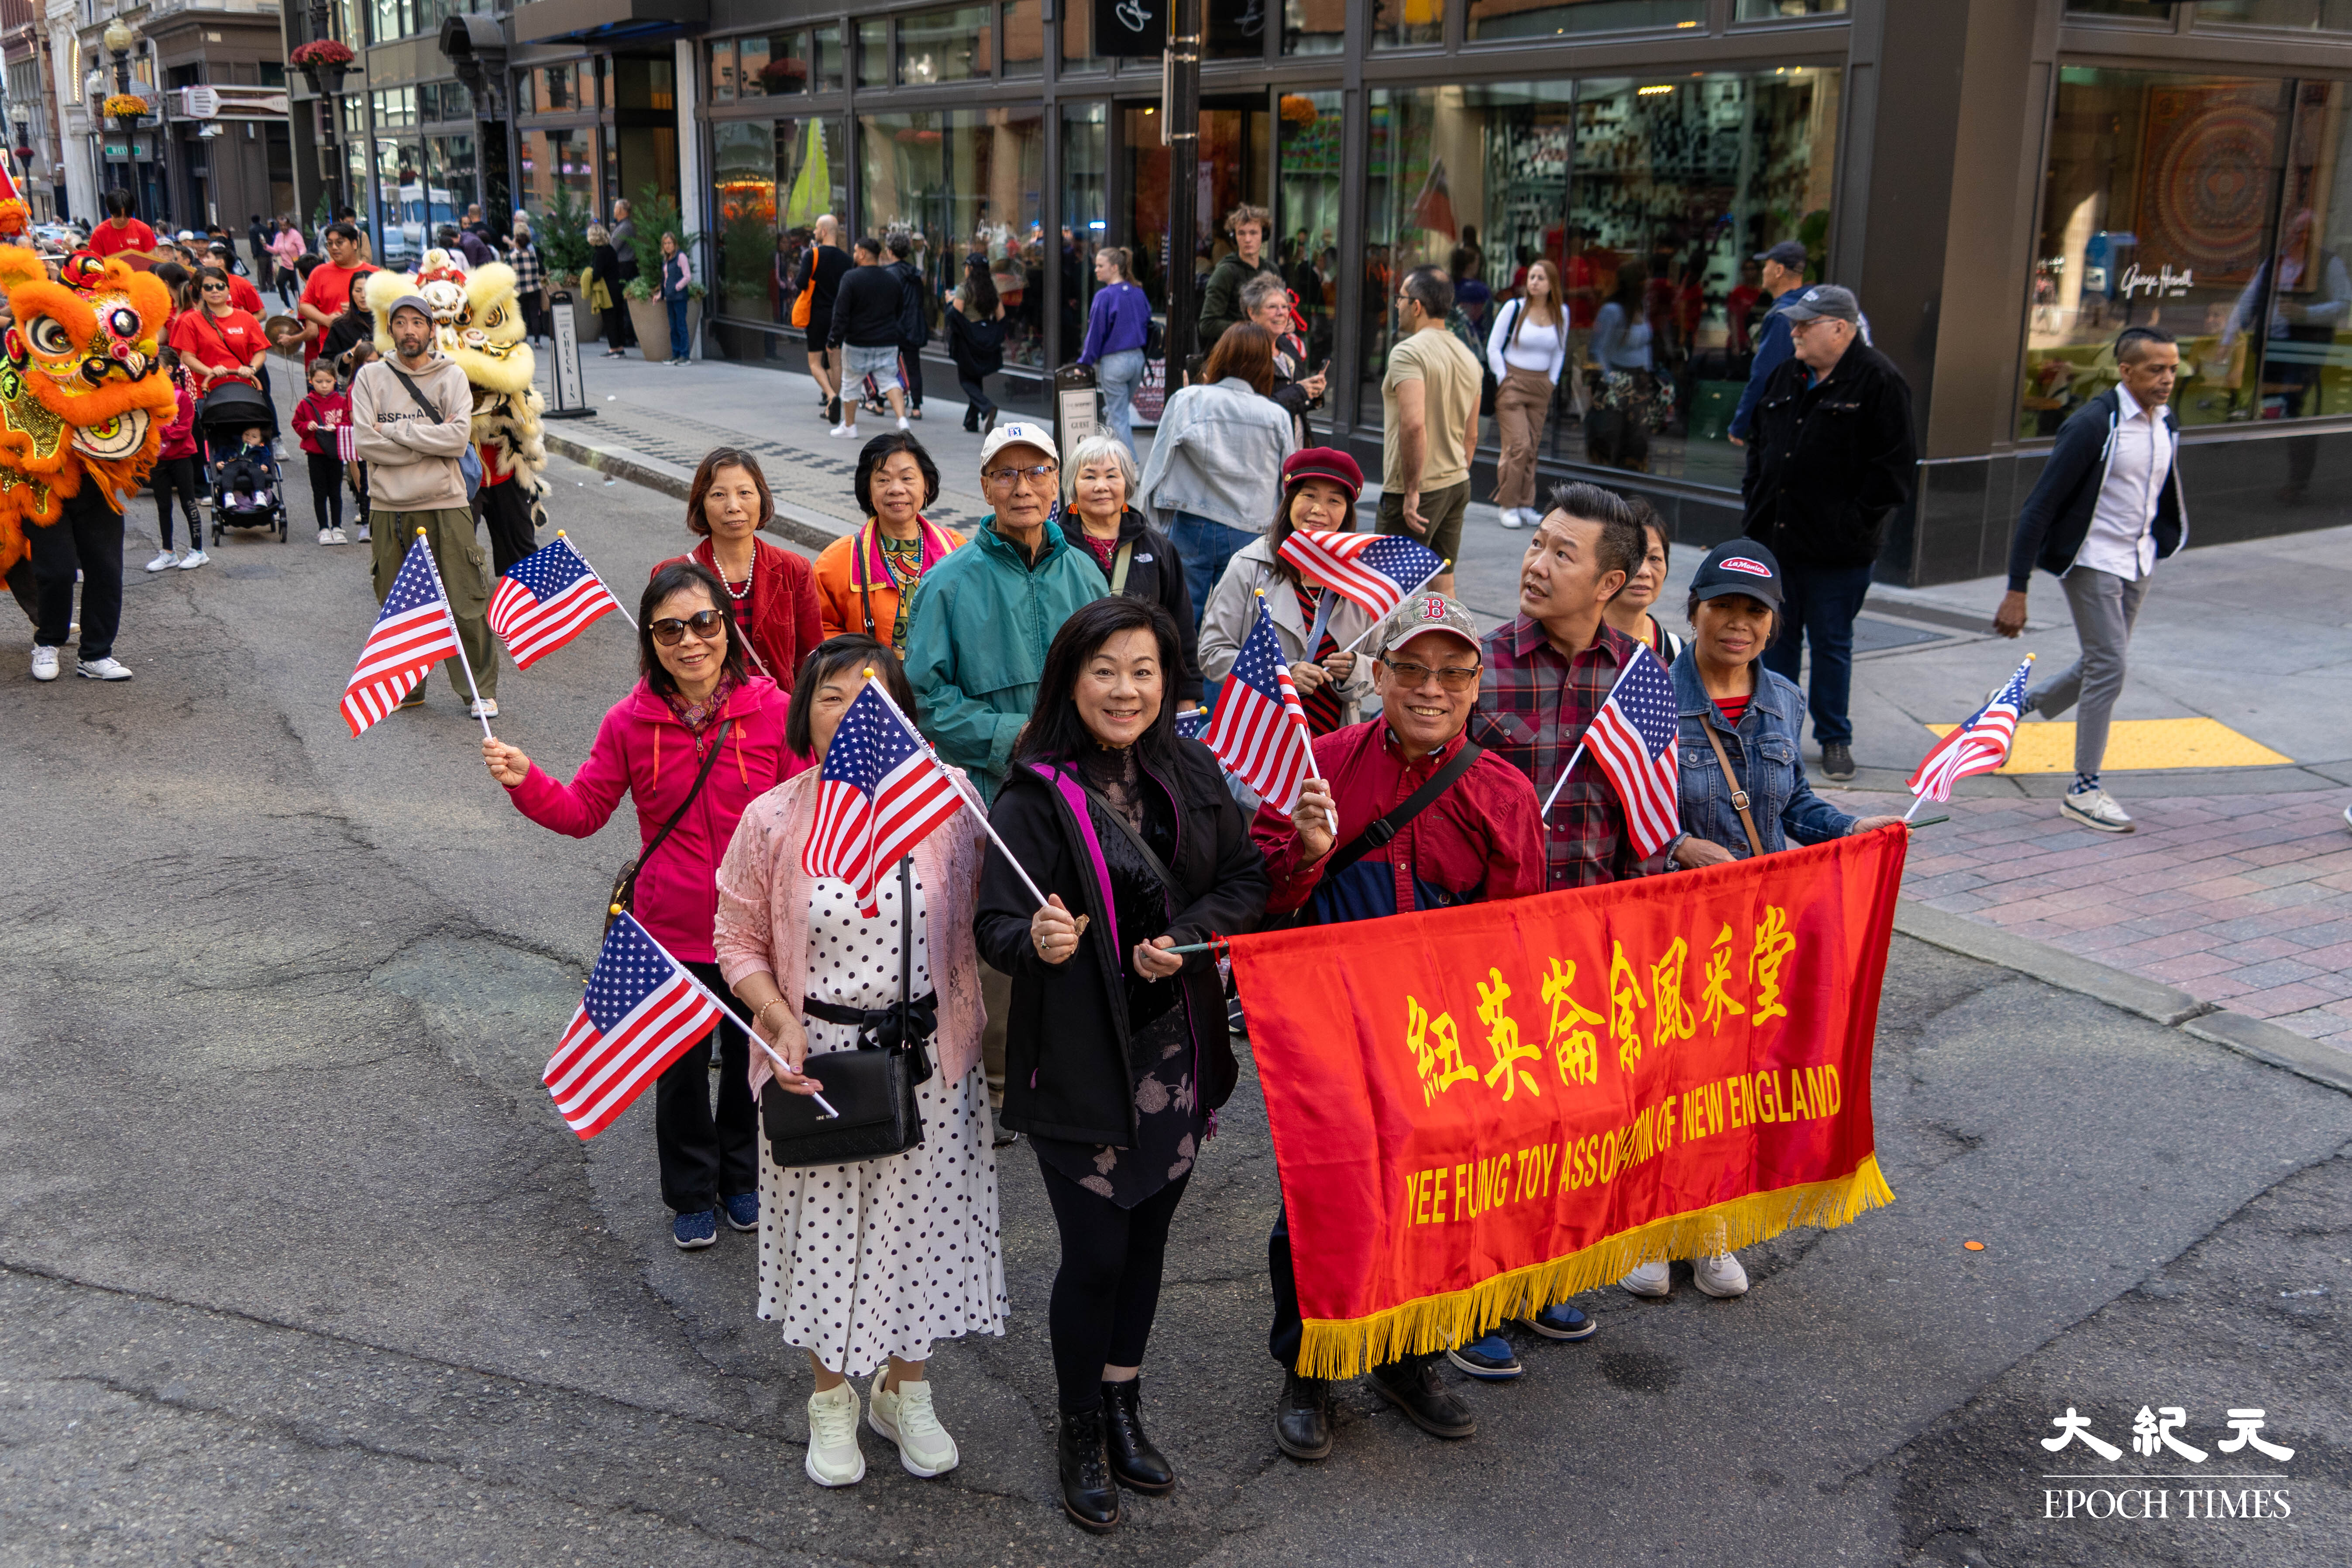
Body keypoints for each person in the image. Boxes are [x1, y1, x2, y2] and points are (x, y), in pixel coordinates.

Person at [972, 596, 1270, 1533]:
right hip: (1078, 1060)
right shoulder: (1031, 793)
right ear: (1071, 676)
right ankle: (1078, 1425)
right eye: (1106, 669)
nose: (1126, 688)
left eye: (1144, 670)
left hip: (1176, 1053)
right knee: (1095, 1253)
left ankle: (1125, 1398)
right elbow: (992, 923)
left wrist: (1187, 938)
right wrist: (1040, 939)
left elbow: (1245, 879)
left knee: (1148, 1243)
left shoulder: (1191, 765)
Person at [1251, 592, 1560, 1457]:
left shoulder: (1502, 791)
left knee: (1437, 1199)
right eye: (1412, 669)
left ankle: (1411, 1357)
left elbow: (1519, 936)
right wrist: (1306, 855)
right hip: (1334, 1022)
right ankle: (1309, 1367)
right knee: (1323, 1197)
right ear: (1378, 676)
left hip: (1445, 1032)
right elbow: (1266, 906)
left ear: (1475, 687)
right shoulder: (1321, 762)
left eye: (1451, 673)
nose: (1431, 689)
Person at [711, 636, 1005, 1488]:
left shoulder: (948, 804)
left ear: (906, 715)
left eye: (875, 691)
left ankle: (905, 1390)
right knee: (828, 1240)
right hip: (820, 1067)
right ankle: (831, 1397)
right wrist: (772, 1015)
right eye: (834, 692)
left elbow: (995, 911)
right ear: (806, 712)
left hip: (929, 1063)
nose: (855, 706)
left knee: (919, 1237)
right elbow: (737, 936)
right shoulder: (773, 817)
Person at [484, 562, 806, 1248]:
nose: (689, 641)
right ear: (651, 641)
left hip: (755, 933)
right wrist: (525, 779)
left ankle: (743, 1181)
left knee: (752, 1064)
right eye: (669, 630)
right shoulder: (628, 722)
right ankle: (691, 1192)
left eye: (703, 623)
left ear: (725, 625)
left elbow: (810, 809)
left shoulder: (777, 711)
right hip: (671, 932)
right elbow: (582, 812)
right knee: (681, 1074)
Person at [1644, 539, 1907, 1298]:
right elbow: (1630, 816)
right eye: (1722, 605)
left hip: (1756, 932)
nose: (1737, 623)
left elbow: (1790, 803)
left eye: (1753, 610)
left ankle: (1713, 1223)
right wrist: (1680, 849)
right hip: (1672, 929)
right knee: (1667, 1082)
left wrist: (1851, 830)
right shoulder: (1653, 696)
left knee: (1733, 1080)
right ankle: (1652, 1229)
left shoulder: (1784, 700)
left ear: (1772, 621)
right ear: (1692, 610)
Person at [1994, 325, 2184, 834]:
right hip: (2092, 559)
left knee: (2103, 659)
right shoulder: (2093, 425)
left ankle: (2014, 708)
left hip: (2139, 559)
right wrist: (2018, 587)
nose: (2168, 379)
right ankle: (2084, 788)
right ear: (2125, 371)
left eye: (2173, 368)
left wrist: (2162, 539)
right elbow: (2040, 506)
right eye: (2155, 369)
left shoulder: (2166, 421)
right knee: (2110, 666)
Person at [1740, 284, 1918, 783]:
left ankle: (1834, 736)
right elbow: (1759, 447)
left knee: (1831, 644)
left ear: (1840, 328)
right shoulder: (1785, 375)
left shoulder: (1879, 381)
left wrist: (1854, 524)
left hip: (1839, 552)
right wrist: (1753, 499)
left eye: (1805, 324)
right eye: (1794, 323)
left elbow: (1894, 472)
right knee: (1775, 644)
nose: (1794, 331)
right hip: (1777, 543)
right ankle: (1775, 737)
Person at [1471, 482, 1668, 891]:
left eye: (1562, 555)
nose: (1537, 566)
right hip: (1491, 919)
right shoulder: (1475, 665)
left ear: (1609, 584)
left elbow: (1648, 823)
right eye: (1537, 544)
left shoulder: (1642, 676)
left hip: (1592, 924)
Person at [350, 292, 501, 719]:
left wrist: (397, 435)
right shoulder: (370, 378)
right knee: (400, 602)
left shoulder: (451, 376)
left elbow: (456, 441)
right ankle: (408, 686)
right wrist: (424, 443)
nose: (409, 331)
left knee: (464, 599)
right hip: (388, 505)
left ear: (432, 329)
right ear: (391, 329)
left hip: (445, 502)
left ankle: (478, 690)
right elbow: (365, 442)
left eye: (418, 323)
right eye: (401, 323)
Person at [1199, 447, 1377, 732]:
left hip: (1333, 739)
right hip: (1261, 736)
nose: (1320, 509)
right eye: (1309, 496)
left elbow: (1382, 666)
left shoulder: (1361, 580)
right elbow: (1212, 654)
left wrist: (1356, 668)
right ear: (1290, 500)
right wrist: (1282, 675)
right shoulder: (1250, 566)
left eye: (1334, 500)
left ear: (1347, 512)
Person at [1136, 322, 1299, 626]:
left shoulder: (1189, 399)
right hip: (1250, 526)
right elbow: (1287, 481)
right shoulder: (1276, 415)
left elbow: (1156, 466)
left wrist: (1149, 523)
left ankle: (1178, 675)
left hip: (1192, 518)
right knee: (1234, 626)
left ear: (1220, 356)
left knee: (1179, 620)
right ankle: (1219, 676)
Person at [655, 448, 824, 687]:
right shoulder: (671, 573)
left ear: (761, 498)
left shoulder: (794, 569)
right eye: (719, 495)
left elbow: (812, 658)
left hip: (776, 714)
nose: (733, 506)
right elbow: (658, 663)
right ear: (701, 504)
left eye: (745, 492)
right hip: (705, 714)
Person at [1062, 434, 1204, 707]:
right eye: (1089, 477)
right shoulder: (1055, 547)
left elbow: (1181, 626)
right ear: (1073, 487)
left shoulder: (1159, 548)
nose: (1101, 486)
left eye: (1112, 476)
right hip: (1075, 688)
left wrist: (1186, 696)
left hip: (1140, 690)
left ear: (1127, 484)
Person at [811, 431, 966, 653]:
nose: (896, 489)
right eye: (883, 480)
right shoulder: (836, 561)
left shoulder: (957, 549)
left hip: (944, 687)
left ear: (927, 486)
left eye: (907, 478)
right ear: (868, 490)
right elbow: (820, 633)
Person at [1378, 265, 1480, 597]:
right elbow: (1472, 435)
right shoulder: (1469, 357)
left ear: (1417, 306)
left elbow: (1413, 424)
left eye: (1401, 298)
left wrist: (1411, 492)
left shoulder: (1408, 352)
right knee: (1443, 582)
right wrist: (1457, 472)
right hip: (1456, 484)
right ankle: (1456, 647)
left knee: (1386, 588)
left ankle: (1385, 651)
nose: (1397, 305)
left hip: (1417, 490)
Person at [1487, 258, 1568, 530]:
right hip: (1513, 382)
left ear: (1551, 284)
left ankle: (1524, 504)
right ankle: (1508, 504)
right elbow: (1493, 347)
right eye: (1532, 277)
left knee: (1532, 448)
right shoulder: (1514, 308)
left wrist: (1552, 382)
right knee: (1518, 445)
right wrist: (1503, 378)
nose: (1534, 282)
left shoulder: (1561, 313)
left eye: (1540, 278)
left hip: (1541, 386)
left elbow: (1560, 351)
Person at [828, 236, 912, 437]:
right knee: (890, 381)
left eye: (856, 251)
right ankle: (902, 421)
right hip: (887, 341)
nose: (855, 255)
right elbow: (899, 310)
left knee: (851, 383)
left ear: (863, 254)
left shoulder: (850, 278)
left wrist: (834, 340)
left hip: (858, 342)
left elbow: (841, 313)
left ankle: (850, 426)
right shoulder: (892, 279)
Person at [1728, 240, 1807, 447]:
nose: (1763, 271)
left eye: (1767, 265)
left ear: (1779, 270)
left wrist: (1740, 423)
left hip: (1782, 419)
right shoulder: (1808, 306)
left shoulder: (1782, 316)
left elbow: (1765, 374)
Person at [1586, 262, 1659, 472]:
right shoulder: (1612, 311)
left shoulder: (1641, 307)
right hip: (1617, 377)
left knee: (1637, 437)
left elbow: (1646, 345)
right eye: (1646, 279)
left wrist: (1649, 374)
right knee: (1610, 435)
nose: (1650, 283)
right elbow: (1598, 349)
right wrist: (1610, 379)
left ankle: (1629, 488)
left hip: (1640, 379)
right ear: (1635, 283)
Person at [1076, 247, 1152, 450]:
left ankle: (1130, 464)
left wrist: (1084, 363)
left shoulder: (1105, 296)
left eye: (1101, 266)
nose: (1096, 270)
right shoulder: (1138, 293)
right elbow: (1147, 322)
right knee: (1118, 412)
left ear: (1115, 267)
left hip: (1115, 362)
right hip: (1138, 360)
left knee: (1118, 416)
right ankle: (1111, 456)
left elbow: (1095, 334)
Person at [169, 269, 272, 416]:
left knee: (246, 438)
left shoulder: (246, 318)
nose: (215, 291)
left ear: (228, 289)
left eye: (220, 286)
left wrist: (251, 369)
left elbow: (260, 352)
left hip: (243, 391)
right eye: (208, 287)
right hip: (206, 392)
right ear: (201, 292)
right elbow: (187, 357)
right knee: (215, 439)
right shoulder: (191, 321)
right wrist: (210, 372)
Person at [1243, 274, 1326, 447]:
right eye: (1272, 307)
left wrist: (1313, 393)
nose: (1281, 313)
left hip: (1296, 446)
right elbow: (1254, 412)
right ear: (1252, 313)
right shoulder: (1245, 353)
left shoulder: (1288, 346)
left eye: (1285, 307)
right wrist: (1300, 391)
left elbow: (1295, 400)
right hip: (1265, 452)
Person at [144, 348, 204, 572]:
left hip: (181, 458)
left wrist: (159, 432)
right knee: (163, 506)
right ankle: (168, 552)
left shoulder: (183, 397)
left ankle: (198, 551)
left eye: (156, 365)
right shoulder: (150, 397)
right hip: (158, 460)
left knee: (189, 503)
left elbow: (184, 429)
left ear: (169, 370)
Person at [1602, 500, 1683, 664]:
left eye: (1655, 558)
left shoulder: (1676, 652)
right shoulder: (1574, 641)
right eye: (1631, 557)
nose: (1644, 572)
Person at [1196, 203, 1281, 354]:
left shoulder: (1272, 270)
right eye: (1241, 233)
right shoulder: (1225, 272)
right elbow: (1207, 324)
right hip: (1234, 354)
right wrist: (1249, 331)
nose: (1248, 239)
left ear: (1264, 235)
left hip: (1265, 352)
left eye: (1254, 233)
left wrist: (1286, 323)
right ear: (1234, 237)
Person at [793, 213, 853, 421]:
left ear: (825, 231)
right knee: (836, 363)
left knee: (815, 363)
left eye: (817, 229)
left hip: (817, 316)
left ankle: (831, 396)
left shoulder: (813, 255)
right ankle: (831, 407)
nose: (815, 233)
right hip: (838, 318)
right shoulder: (848, 260)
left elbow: (801, 283)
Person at [290, 360, 352, 547]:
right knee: (320, 492)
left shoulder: (342, 402)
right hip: (315, 453)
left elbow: (350, 423)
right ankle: (323, 528)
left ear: (335, 380)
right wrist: (306, 427)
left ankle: (337, 527)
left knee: (336, 491)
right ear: (311, 381)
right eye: (319, 382)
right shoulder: (306, 403)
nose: (324, 386)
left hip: (334, 453)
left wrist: (338, 427)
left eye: (328, 381)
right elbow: (296, 423)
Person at [299, 223, 369, 369]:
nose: (334, 248)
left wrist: (359, 308)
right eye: (330, 244)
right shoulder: (319, 273)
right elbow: (304, 305)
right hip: (332, 352)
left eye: (340, 243)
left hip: (370, 354)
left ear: (355, 244)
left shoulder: (373, 273)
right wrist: (326, 320)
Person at [945, 270, 1006, 433]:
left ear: (970, 269)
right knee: (975, 380)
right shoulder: (992, 290)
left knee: (966, 380)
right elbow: (1002, 316)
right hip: (985, 340)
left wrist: (950, 301)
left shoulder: (964, 289)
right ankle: (971, 422)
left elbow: (956, 314)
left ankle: (987, 407)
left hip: (967, 340)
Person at [887, 232, 928, 420]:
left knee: (887, 367)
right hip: (913, 326)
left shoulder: (889, 274)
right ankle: (917, 407)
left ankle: (882, 403)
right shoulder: (915, 274)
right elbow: (920, 300)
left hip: (894, 327)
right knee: (914, 367)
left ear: (890, 251)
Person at [86, 189, 159, 265]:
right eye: (118, 216)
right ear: (109, 211)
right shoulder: (100, 233)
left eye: (126, 216)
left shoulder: (144, 230)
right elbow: (96, 262)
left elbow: (152, 260)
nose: (122, 219)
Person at [657, 232, 694, 366]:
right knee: (673, 327)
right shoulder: (667, 259)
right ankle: (676, 354)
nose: (668, 246)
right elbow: (666, 280)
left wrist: (677, 287)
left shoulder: (681, 257)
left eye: (670, 243)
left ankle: (685, 356)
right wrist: (661, 294)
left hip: (679, 298)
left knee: (681, 326)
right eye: (665, 244)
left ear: (675, 243)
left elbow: (687, 276)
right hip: (670, 298)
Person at [205, 244, 266, 315]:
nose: (204, 261)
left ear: (220, 262)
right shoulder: (203, 283)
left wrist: (243, 324)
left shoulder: (242, 284)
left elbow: (261, 314)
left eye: (208, 257)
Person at [268, 220, 305, 308]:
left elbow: (302, 248)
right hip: (285, 265)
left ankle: (301, 306)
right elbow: (276, 250)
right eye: (281, 226)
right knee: (280, 282)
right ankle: (287, 305)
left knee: (295, 288)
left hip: (296, 266)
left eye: (285, 225)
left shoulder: (295, 235)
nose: (284, 228)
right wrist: (266, 246)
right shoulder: (279, 236)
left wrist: (300, 258)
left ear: (289, 225)